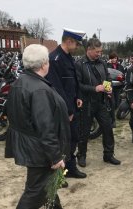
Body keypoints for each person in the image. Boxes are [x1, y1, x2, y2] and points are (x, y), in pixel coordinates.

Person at [5, 44, 70, 209]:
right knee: (34, 192)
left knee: (47, 188)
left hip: (30, 145)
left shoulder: (21, 81)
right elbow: (45, 128)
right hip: (39, 151)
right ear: (43, 64)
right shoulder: (39, 89)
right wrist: (56, 157)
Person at [45, 28, 86, 179]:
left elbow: (74, 82)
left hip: (72, 106)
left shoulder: (68, 57)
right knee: (63, 142)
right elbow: (57, 88)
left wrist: (79, 96)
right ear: (69, 41)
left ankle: (70, 168)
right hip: (63, 110)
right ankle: (59, 174)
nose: (77, 47)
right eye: (76, 43)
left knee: (73, 139)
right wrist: (67, 110)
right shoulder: (55, 59)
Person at [75, 38, 121, 166]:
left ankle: (108, 154)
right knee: (84, 132)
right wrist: (94, 88)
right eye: (97, 52)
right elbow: (78, 85)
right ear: (89, 50)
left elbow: (107, 78)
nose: (99, 54)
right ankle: (81, 155)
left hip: (101, 102)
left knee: (108, 129)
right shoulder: (80, 64)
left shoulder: (102, 63)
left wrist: (108, 87)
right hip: (87, 103)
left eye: (100, 51)